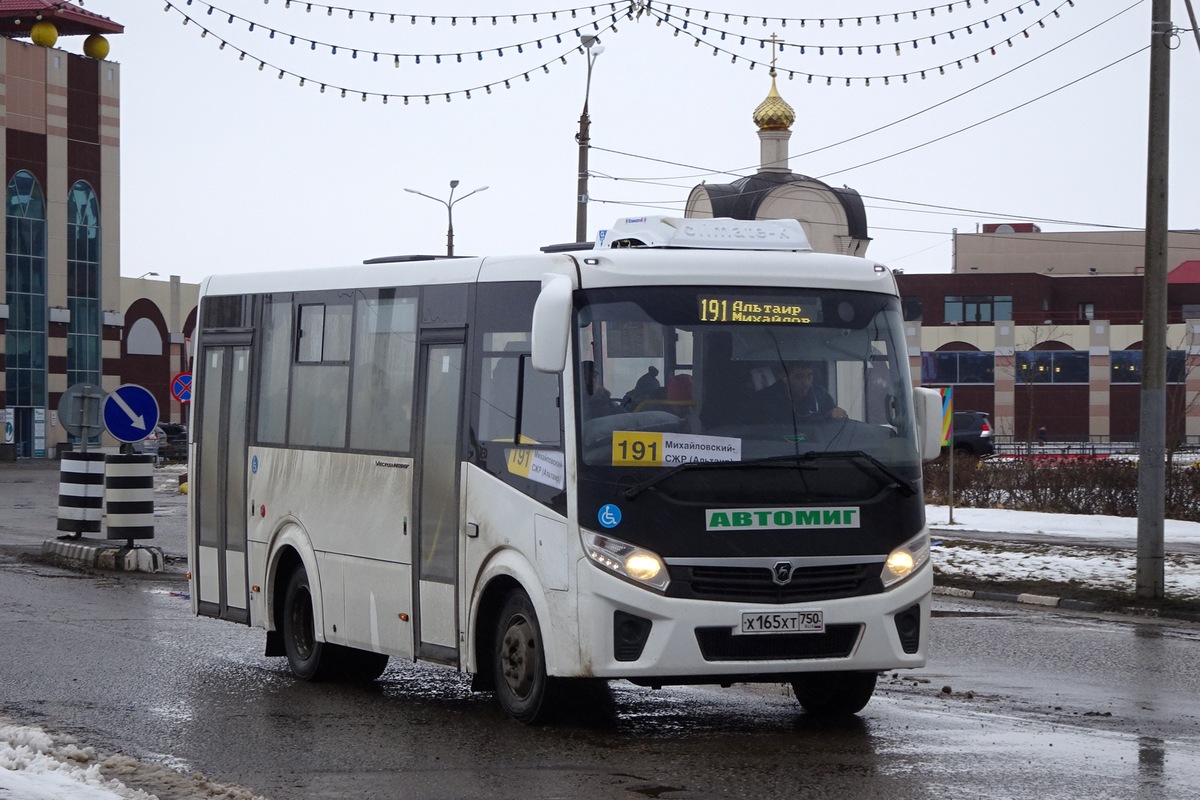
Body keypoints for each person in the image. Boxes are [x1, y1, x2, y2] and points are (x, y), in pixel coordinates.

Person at [756, 361, 847, 421]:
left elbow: (837, 419)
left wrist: (839, 415)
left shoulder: (820, 395)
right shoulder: (764, 399)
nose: (806, 383)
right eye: (799, 377)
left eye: (809, 376)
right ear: (784, 377)